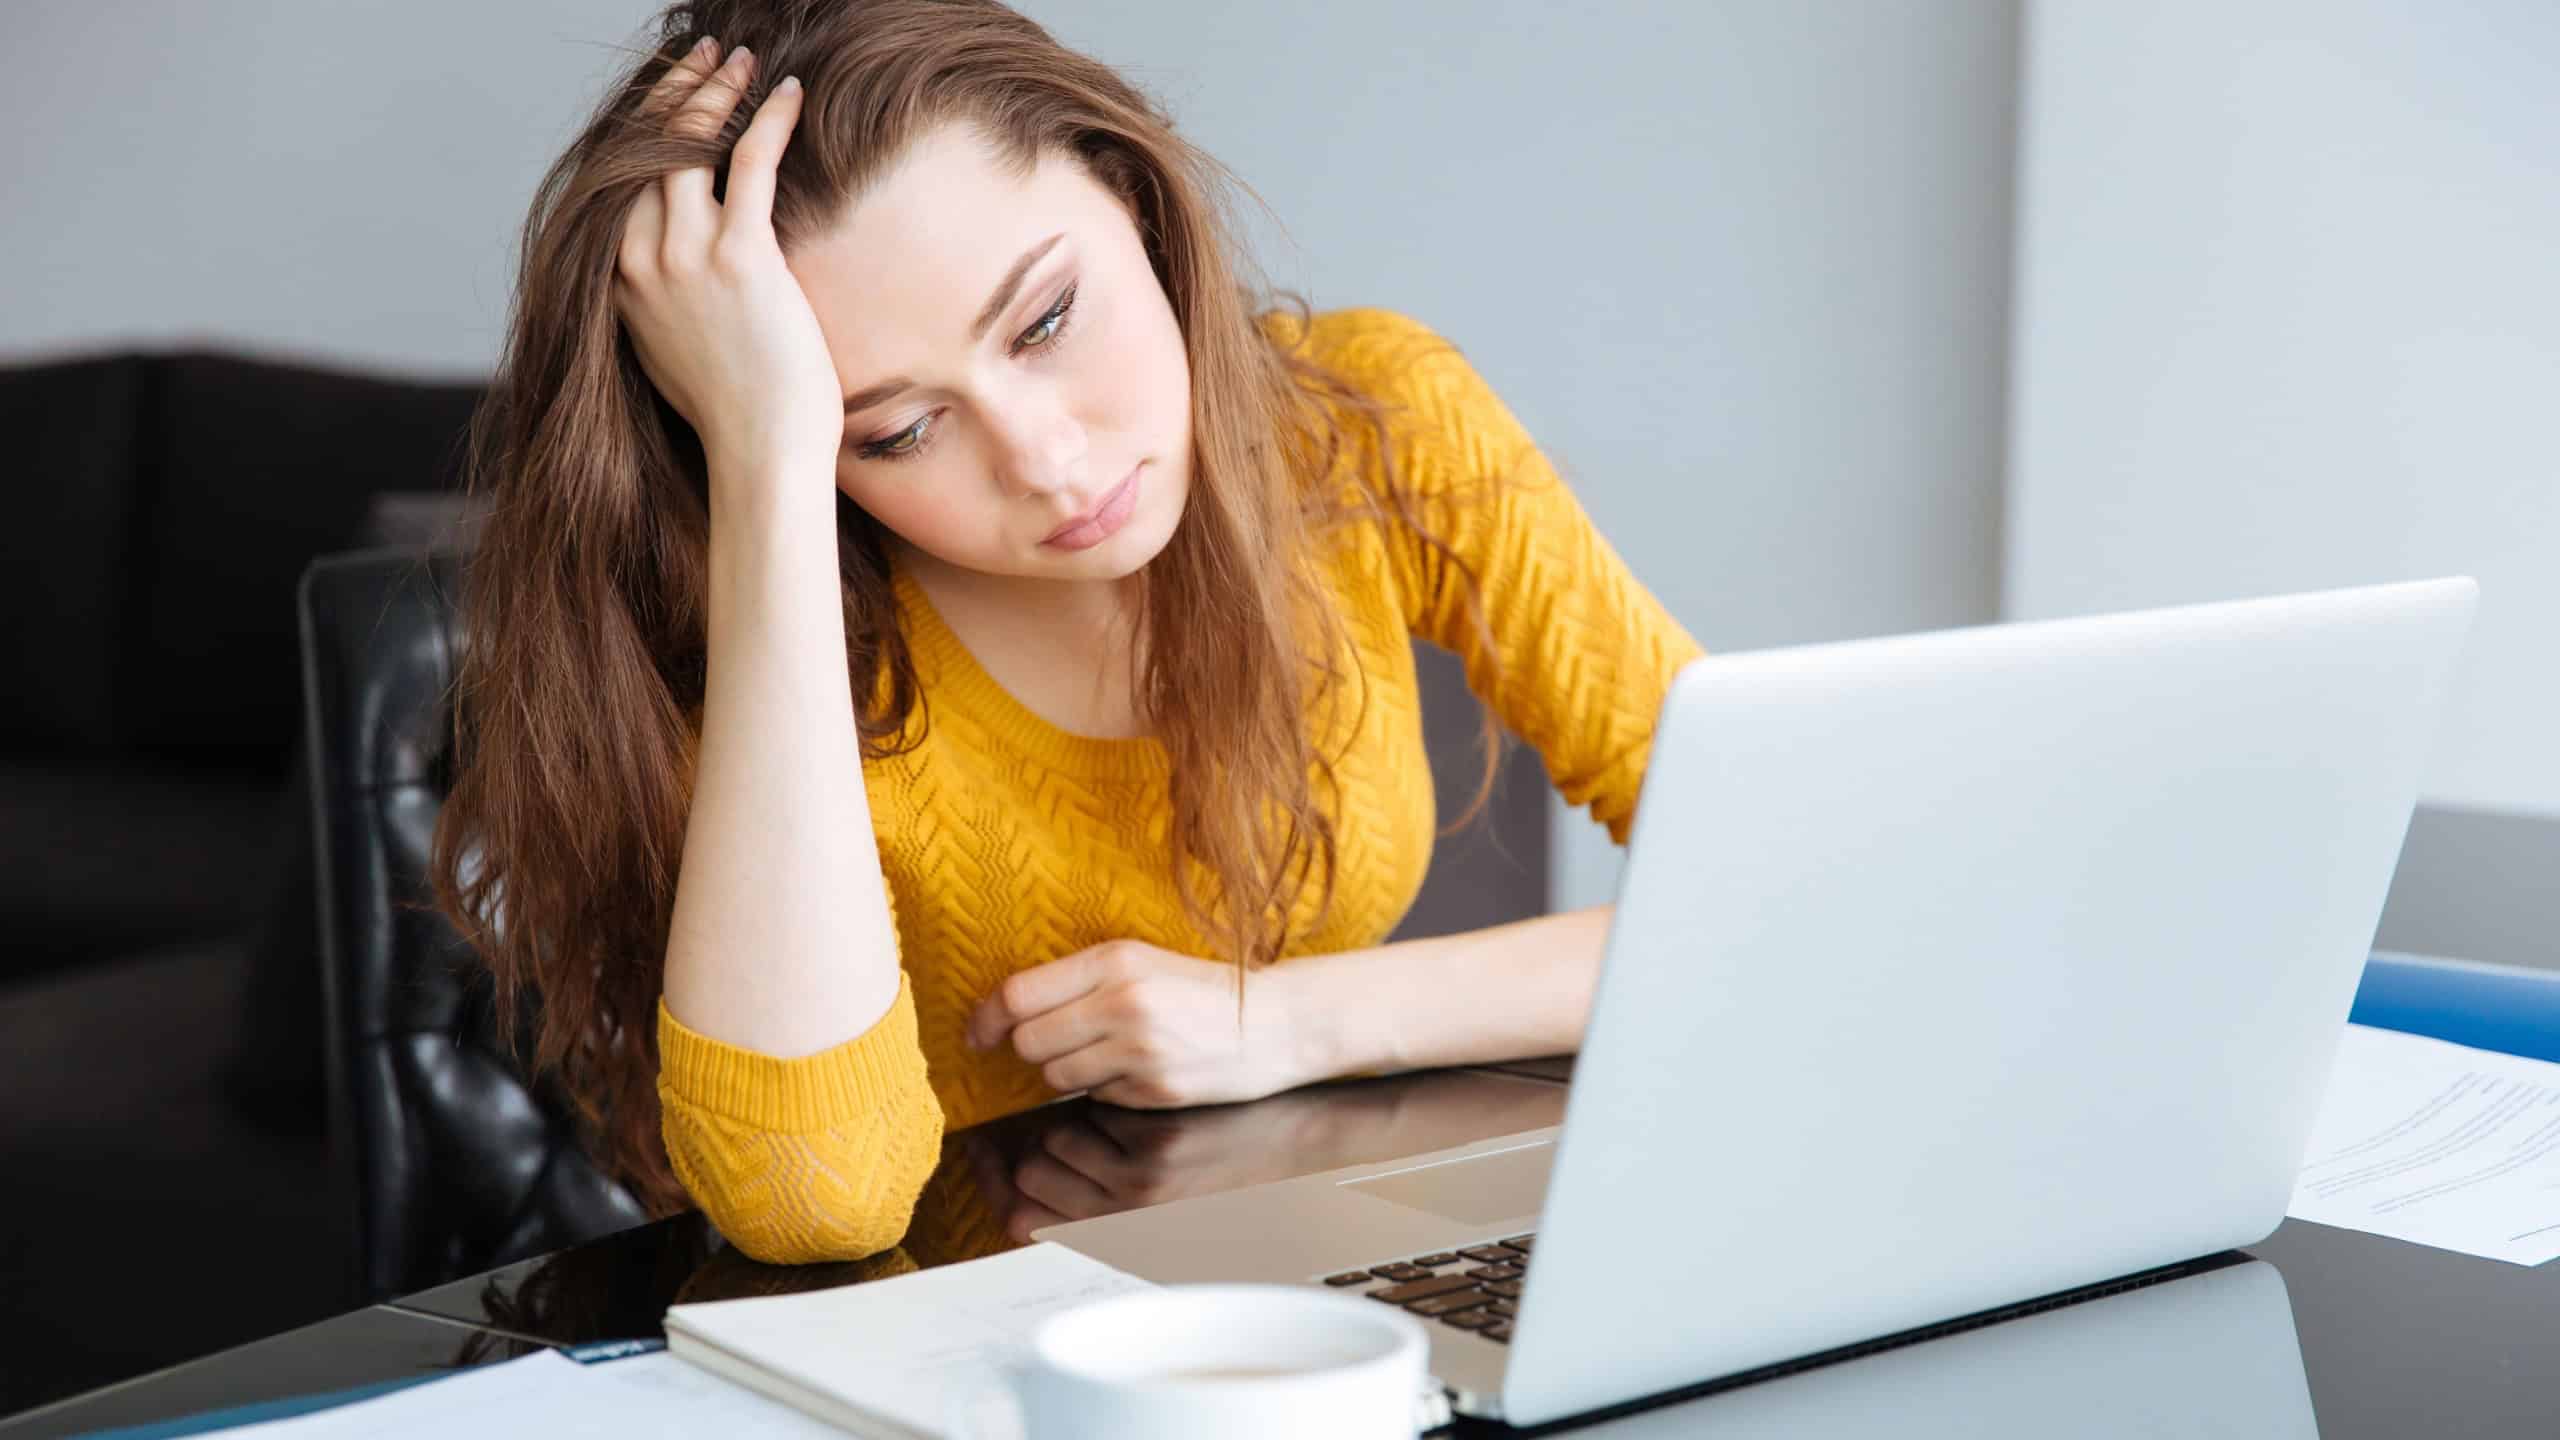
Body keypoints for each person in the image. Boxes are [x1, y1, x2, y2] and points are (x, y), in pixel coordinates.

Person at [430, 0, 1705, 1267]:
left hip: (1305, 1289)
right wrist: (767, 459)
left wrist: (1293, 1020)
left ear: (1131, 196)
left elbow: (1782, 885)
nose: (1044, 460)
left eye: (1043, 321)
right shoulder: (756, 647)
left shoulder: (1369, 424)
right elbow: (812, 1203)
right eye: (895, 432)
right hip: (945, 1339)